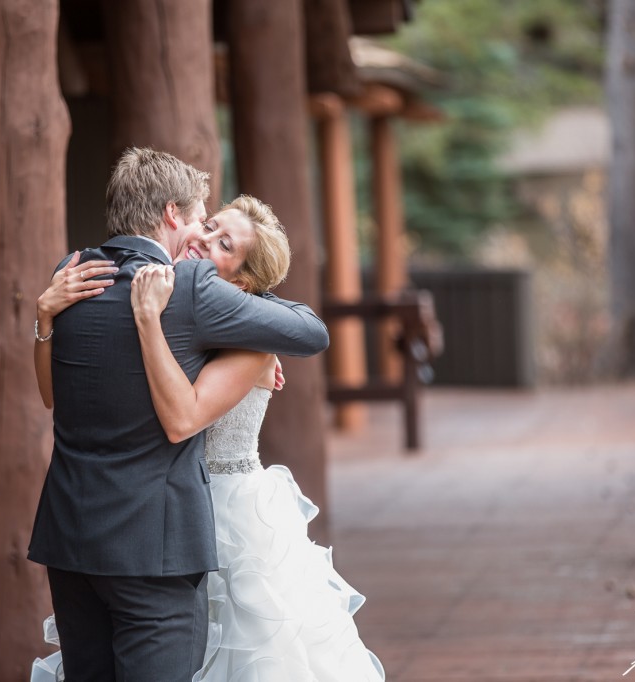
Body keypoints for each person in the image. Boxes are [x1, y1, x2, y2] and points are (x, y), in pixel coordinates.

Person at [33, 195, 385, 681]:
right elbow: (59, 397)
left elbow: (182, 420)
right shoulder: (158, 301)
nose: (202, 237)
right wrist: (46, 320)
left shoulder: (245, 343)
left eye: (224, 244)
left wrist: (149, 320)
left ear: (239, 283)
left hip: (227, 524)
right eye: (212, 224)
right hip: (155, 514)